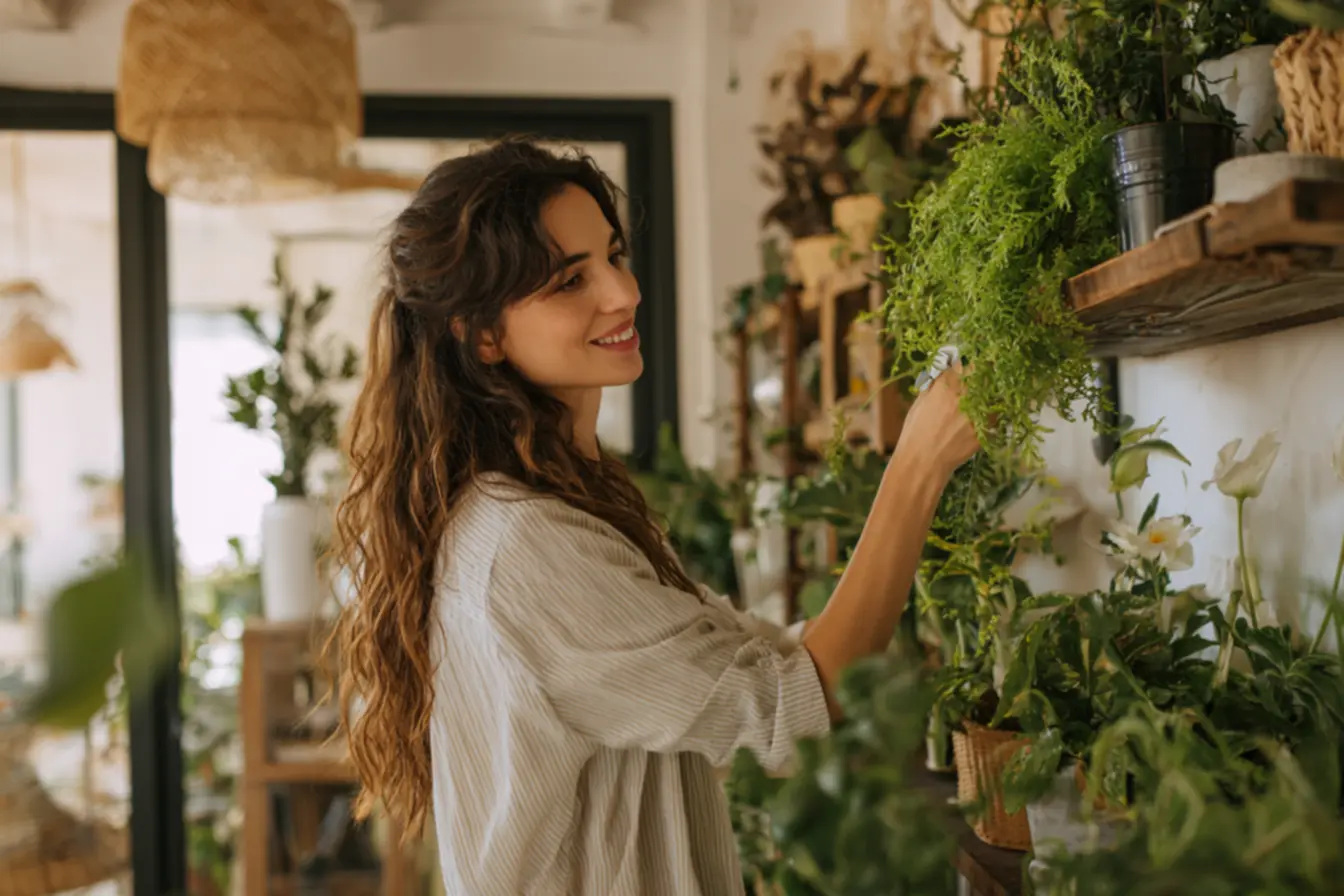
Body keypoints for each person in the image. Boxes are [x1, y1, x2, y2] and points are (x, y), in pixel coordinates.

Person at [332, 137, 981, 896]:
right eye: (571, 280)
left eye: (613, 255)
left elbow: (772, 665)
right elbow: (801, 701)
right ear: (481, 335)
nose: (623, 292)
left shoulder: (558, 502)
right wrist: (919, 464)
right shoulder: (529, 548)